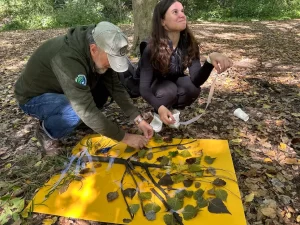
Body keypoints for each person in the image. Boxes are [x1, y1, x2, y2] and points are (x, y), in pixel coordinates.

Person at [14, 21, 153, 156]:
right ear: (93, 49)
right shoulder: (67, 59)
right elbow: (84, 109)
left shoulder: (101, 45)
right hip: (34, 97)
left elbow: (115, 87)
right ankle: (46, 132)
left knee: (101, 92)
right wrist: (125, 138)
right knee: (76, 111)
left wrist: (138, 119)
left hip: (63, 88)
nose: (112, 65)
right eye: (111, 60)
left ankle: (79, 121)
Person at [138, 0, 233, 126]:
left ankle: (172, 110)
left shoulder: (188, 43)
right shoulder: (150, 48)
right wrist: (160, 107)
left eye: (182, 11)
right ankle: (159, 113)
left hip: (175, 79)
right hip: (156, 84)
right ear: (162, 21)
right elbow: (144, 88)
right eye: (175, 12)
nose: (182, 15)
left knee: (191, 88)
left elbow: (196, 80)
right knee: (168, 91)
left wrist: (210, 60)